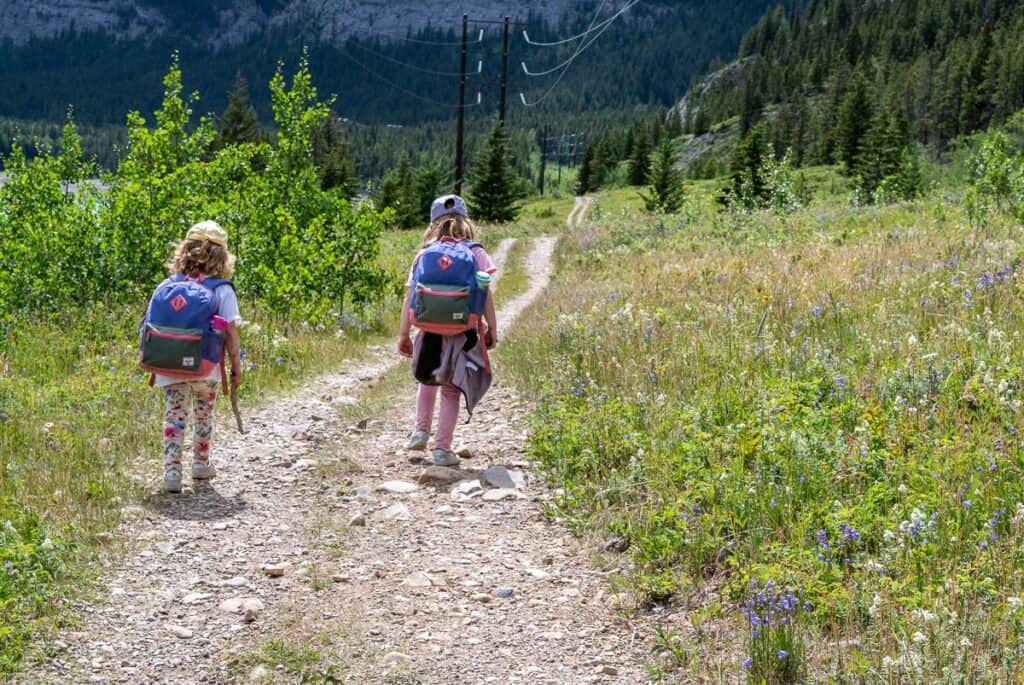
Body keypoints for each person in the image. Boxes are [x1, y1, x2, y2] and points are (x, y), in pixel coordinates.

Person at [398, 195, 498, 466]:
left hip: (428, 330)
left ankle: (420, 430)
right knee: (451, 390)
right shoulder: (476, 252)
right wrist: (492, 328)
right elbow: (485, 293)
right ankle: (442, 448)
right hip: (462, 332)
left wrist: (404, 333)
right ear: (466, 221)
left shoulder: (423, 254)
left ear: (432, 224)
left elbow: (410, 297)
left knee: (426, 381)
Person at [148, 221, 243, 493]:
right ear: (222, 257)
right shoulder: (222, 289)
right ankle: (200, 465)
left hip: (169, 365)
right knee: (204, 415)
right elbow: (231, 335)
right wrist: (236, 367)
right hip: (206, 367)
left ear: (184, 251)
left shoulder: (166, 285)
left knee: (174, 418)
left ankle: (172, 474)